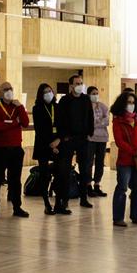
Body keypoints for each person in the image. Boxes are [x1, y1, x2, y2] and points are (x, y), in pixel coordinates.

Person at [0, 81, 29, 219]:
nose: (9, 91)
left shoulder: (17, 106)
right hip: (0, 149)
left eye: (11, 88)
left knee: (15, 180)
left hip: (16, 148)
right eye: (6, 89)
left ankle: (17, 207)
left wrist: (21, 108)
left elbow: (25, 122)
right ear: (0, 92)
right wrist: (14, 122)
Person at [110, 91, 137, 227]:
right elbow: (119, 141)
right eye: (128, 102)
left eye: (133, 103)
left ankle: (136, 216)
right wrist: (134, 151)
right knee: (122, 188)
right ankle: (118, 218)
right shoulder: (117, 121)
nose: (131, 105)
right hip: (125, 160)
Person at [57, 74, 95, 210]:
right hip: (68, 139)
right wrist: (63, 136)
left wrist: (90, 132)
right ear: (71, 86)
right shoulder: (65, 101)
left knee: (85, 169)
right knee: (65, 171)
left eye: (81, 83)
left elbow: (90, 116)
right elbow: (60, 120)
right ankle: (64, 200)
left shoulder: (86, 99)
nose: (80, 85)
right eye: (77, 83)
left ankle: (84, 198)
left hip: (83, 138)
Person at [32, 83, 64, 215]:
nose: (48, 93)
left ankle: (58, 203)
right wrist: (51, 146)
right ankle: (46, 204)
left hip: (58, 144)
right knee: (44, 176)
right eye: (45, 91)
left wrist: (58, 141)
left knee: (59, 174)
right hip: (43, 145)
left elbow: (63, 126)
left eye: (50, 91)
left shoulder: (58, 107)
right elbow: (40, 130)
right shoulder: (37, 108)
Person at [87, 85, 109, 198]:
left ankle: (97, 184)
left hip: (102, 138)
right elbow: (88, 122)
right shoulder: (86, 107)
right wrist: (98, 123)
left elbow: (107, 120)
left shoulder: (102, 106)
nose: (95, 95)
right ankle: (88, 185)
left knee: (100, 162)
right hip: (90, 138)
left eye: (97, 93)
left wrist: (96, 123)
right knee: (89, 162)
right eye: (93, 93)